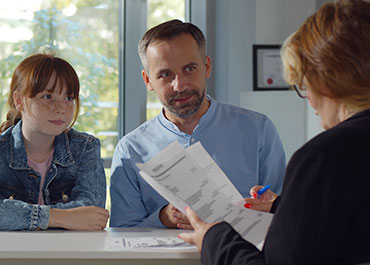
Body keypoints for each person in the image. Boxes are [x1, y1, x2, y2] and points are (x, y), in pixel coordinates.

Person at [179, 0, 370, 264]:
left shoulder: (324, 158)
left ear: (329, 79)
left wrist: (214, 237)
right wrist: (284, 208)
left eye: (304, 84)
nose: (310, 101)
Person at [110, 19, 286, 228]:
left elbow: (287, 214)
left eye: (189, 69)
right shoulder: (130, 150)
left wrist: (269, 207)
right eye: (166, 74)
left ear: (207, 67)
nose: (180, 85)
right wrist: (163, 218)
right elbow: (121, 232)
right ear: (148, 80)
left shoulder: (258, 130)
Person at [0, 53, 109, 231]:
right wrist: (56, 217)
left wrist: (17, 216)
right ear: (19, 100)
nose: (61, 108)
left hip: (70, 256)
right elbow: (82, 216)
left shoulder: (85, 148)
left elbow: (93, 214)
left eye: (69, 98)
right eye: (47, 97)